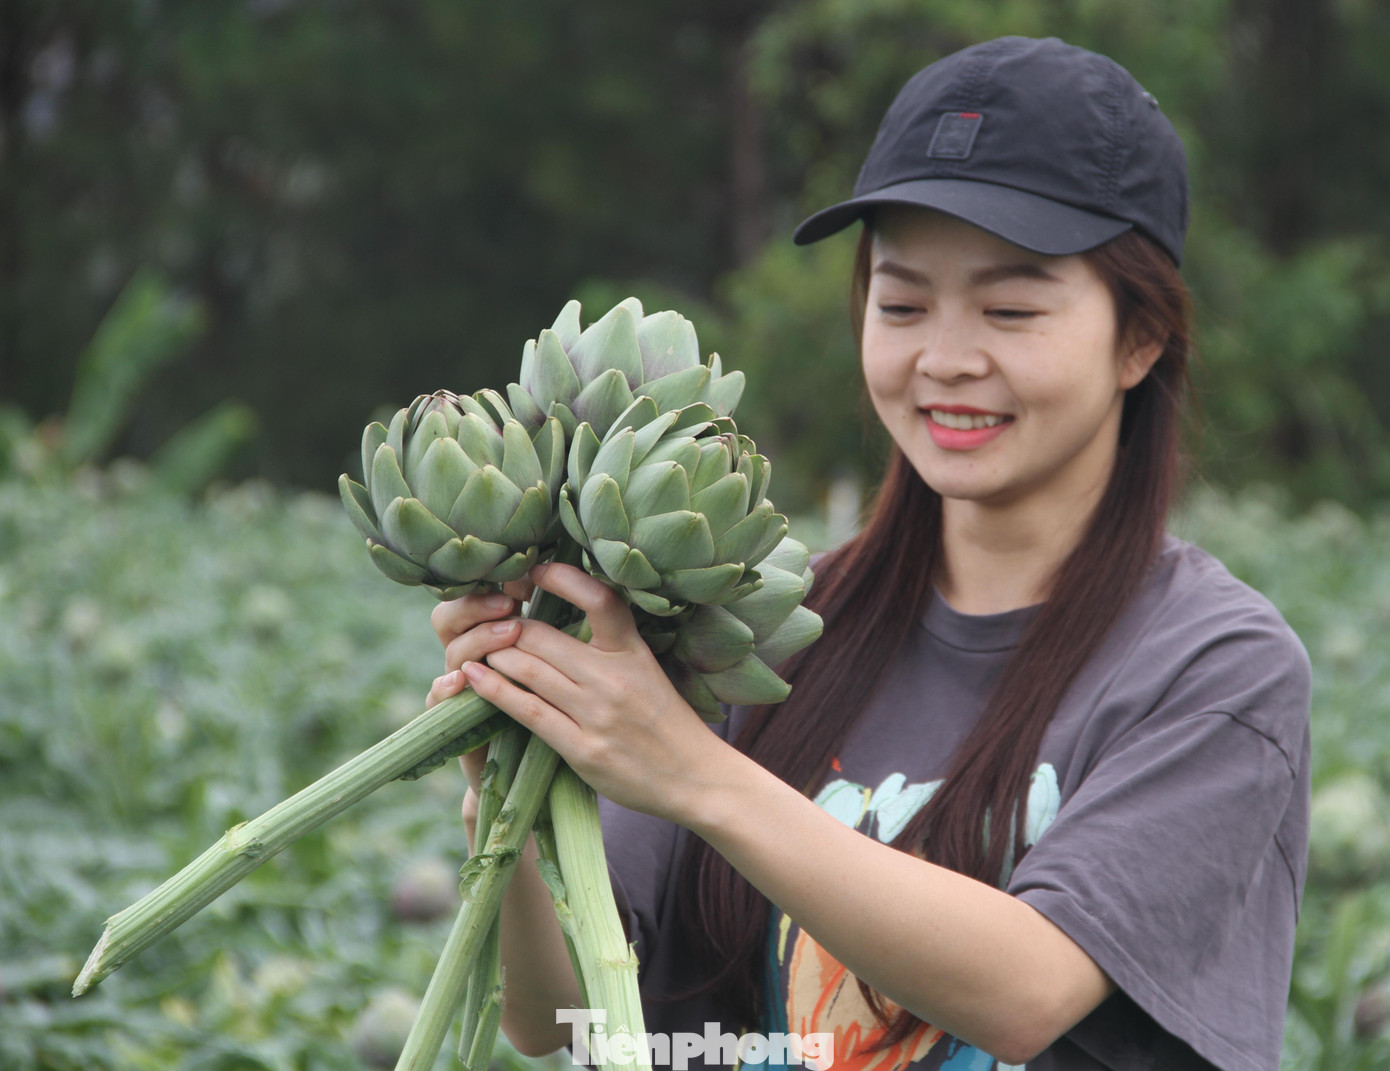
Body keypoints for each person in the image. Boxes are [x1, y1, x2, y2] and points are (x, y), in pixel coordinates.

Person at [425, 35, 1311, 1071]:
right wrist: (512, 786)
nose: (944, 359)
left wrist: (690, 771)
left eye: (1011, 309)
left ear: (1139, 338)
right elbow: (556, 1014)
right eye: (899, 305)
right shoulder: (749, 624)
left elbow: (1030, 993)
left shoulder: (1213, 668)